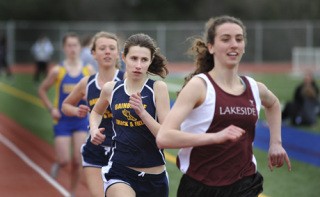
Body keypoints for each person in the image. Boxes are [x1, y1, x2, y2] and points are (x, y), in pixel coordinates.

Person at [156, 15, 291, 197]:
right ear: (211, 46)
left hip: (245, 183)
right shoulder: (199, 86)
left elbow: (273, 104)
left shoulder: (254, 88)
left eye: (239, 39)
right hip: (200, 186)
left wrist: (276, 143)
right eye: (225, 39)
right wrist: (215, 137)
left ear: (244, 46)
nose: (234, 44)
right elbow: (164, 137)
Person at [90, 33, 170, 197]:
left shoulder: (158, 88)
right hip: (121, 171)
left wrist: (142, 113)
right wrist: (93, 129)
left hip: (155, 176)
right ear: (124, 57)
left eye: (144, 60)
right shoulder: (111, 89)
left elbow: (165, 136)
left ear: (151, 60)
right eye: (134, 58)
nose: (138, 65)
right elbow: (96, 112)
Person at [62, 31, 125, 197]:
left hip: (123, 151)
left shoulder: (127, 80)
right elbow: (65, 105)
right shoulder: (87, 83)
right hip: (94, 151)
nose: (107, 52)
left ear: (118, 53)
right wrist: (76, 110)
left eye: (112, 48)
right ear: (93, 53)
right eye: (102, 48)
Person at [38, 32, 95, 195]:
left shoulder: (88, 69)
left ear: (80, 47)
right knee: (64, 160)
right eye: (69, 45)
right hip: (62, 120)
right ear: (64, 48)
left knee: (78, 160)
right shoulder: (58, 70)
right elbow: (42, 89)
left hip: (81, 119)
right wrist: (51, 109)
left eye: (75, 45)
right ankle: (58, 163)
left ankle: (72, 192)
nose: (72, 49)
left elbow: (95, 90)